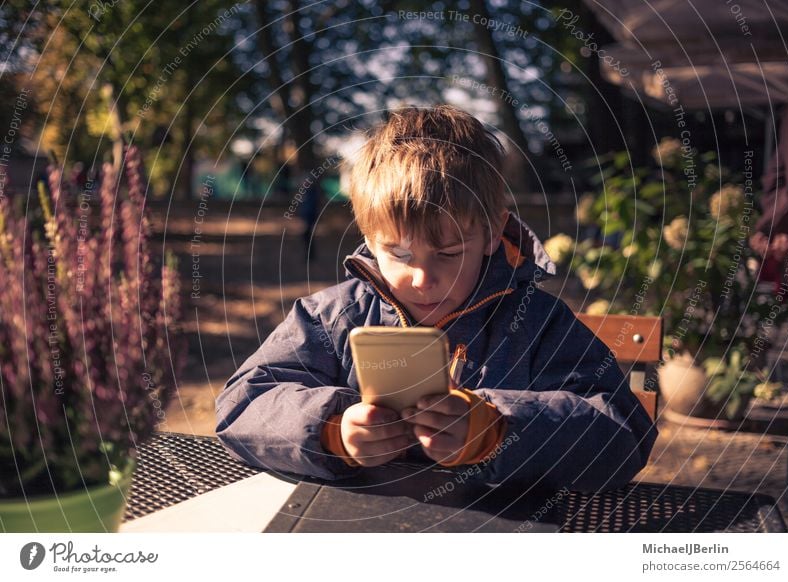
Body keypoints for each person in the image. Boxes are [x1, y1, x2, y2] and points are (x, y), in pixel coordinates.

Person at [216, 105, 656, 492]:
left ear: (490, 232)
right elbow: (242, 405)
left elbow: (622, 432)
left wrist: (497, 429)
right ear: (369, 237)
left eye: (449, 253)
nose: (423, 278)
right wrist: (332, 430)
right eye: (399, 253)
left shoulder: (538, 324)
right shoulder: (330, 318)